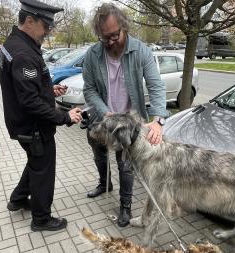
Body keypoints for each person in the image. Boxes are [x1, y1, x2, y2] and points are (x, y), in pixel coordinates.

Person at [0, 0, 82, 232]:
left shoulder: (16, 43)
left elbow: (27, 89)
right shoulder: (23, 52)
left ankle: (17, 200)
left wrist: (49, 90)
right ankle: (42, 219)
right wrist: (64, 117)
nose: (48, 31)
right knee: (43, 171)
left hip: (24, 124)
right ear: (29, 21)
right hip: (34, 128)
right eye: (46, 26)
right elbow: (30, 102)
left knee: (37, 164)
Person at [83, 3, 168, 227]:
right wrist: (105, 112)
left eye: (114, 35)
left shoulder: (141, 51)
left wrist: (158, 119)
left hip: (129, 123)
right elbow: (89, 89)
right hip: (102, 116)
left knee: (125, 164)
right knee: (98, 151)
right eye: (105, 38)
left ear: (124, 27)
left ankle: (125, 205)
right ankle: (104, 183)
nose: (110, 42)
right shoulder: (92, 55)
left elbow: (156, 85)